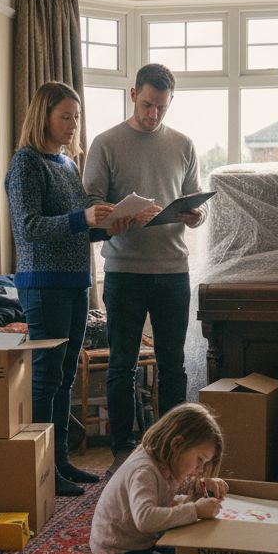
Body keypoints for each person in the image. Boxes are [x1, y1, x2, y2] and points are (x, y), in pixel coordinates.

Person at [5, 81, 147, 496]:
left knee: (66, 376)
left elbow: (76, 229)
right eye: (65, 116)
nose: (73, 124)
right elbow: (28, 228)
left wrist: (109, 226)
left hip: (74, 283)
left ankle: (61, 461)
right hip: (42, 283)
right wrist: (82, 219)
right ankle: (41, 466)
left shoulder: (68, 164)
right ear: (43, 116)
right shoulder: (26, 163)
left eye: (77, 116)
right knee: (47, 378)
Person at [83, 63, 205, 473]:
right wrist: (114, 217)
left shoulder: (185, 144)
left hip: (173, 269)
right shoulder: (106, 142)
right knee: (122, 363)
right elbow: (91, 207)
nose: (154, 114)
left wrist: (195, 217)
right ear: (133, 93)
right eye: (148, 104)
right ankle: (122, 451)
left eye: (162, 108)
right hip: (124, 270)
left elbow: (194, 204)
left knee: (173, 364)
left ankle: (173, 448)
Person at [78, 402, 228, 554]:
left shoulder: (166, 459)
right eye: (200, 460)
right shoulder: (145, 470)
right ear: (176, 444)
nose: (200, 469)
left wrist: (201, 484)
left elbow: (170, 489)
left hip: (140, 542)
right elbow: (146, 519)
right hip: (117, 553)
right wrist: (196, 511)